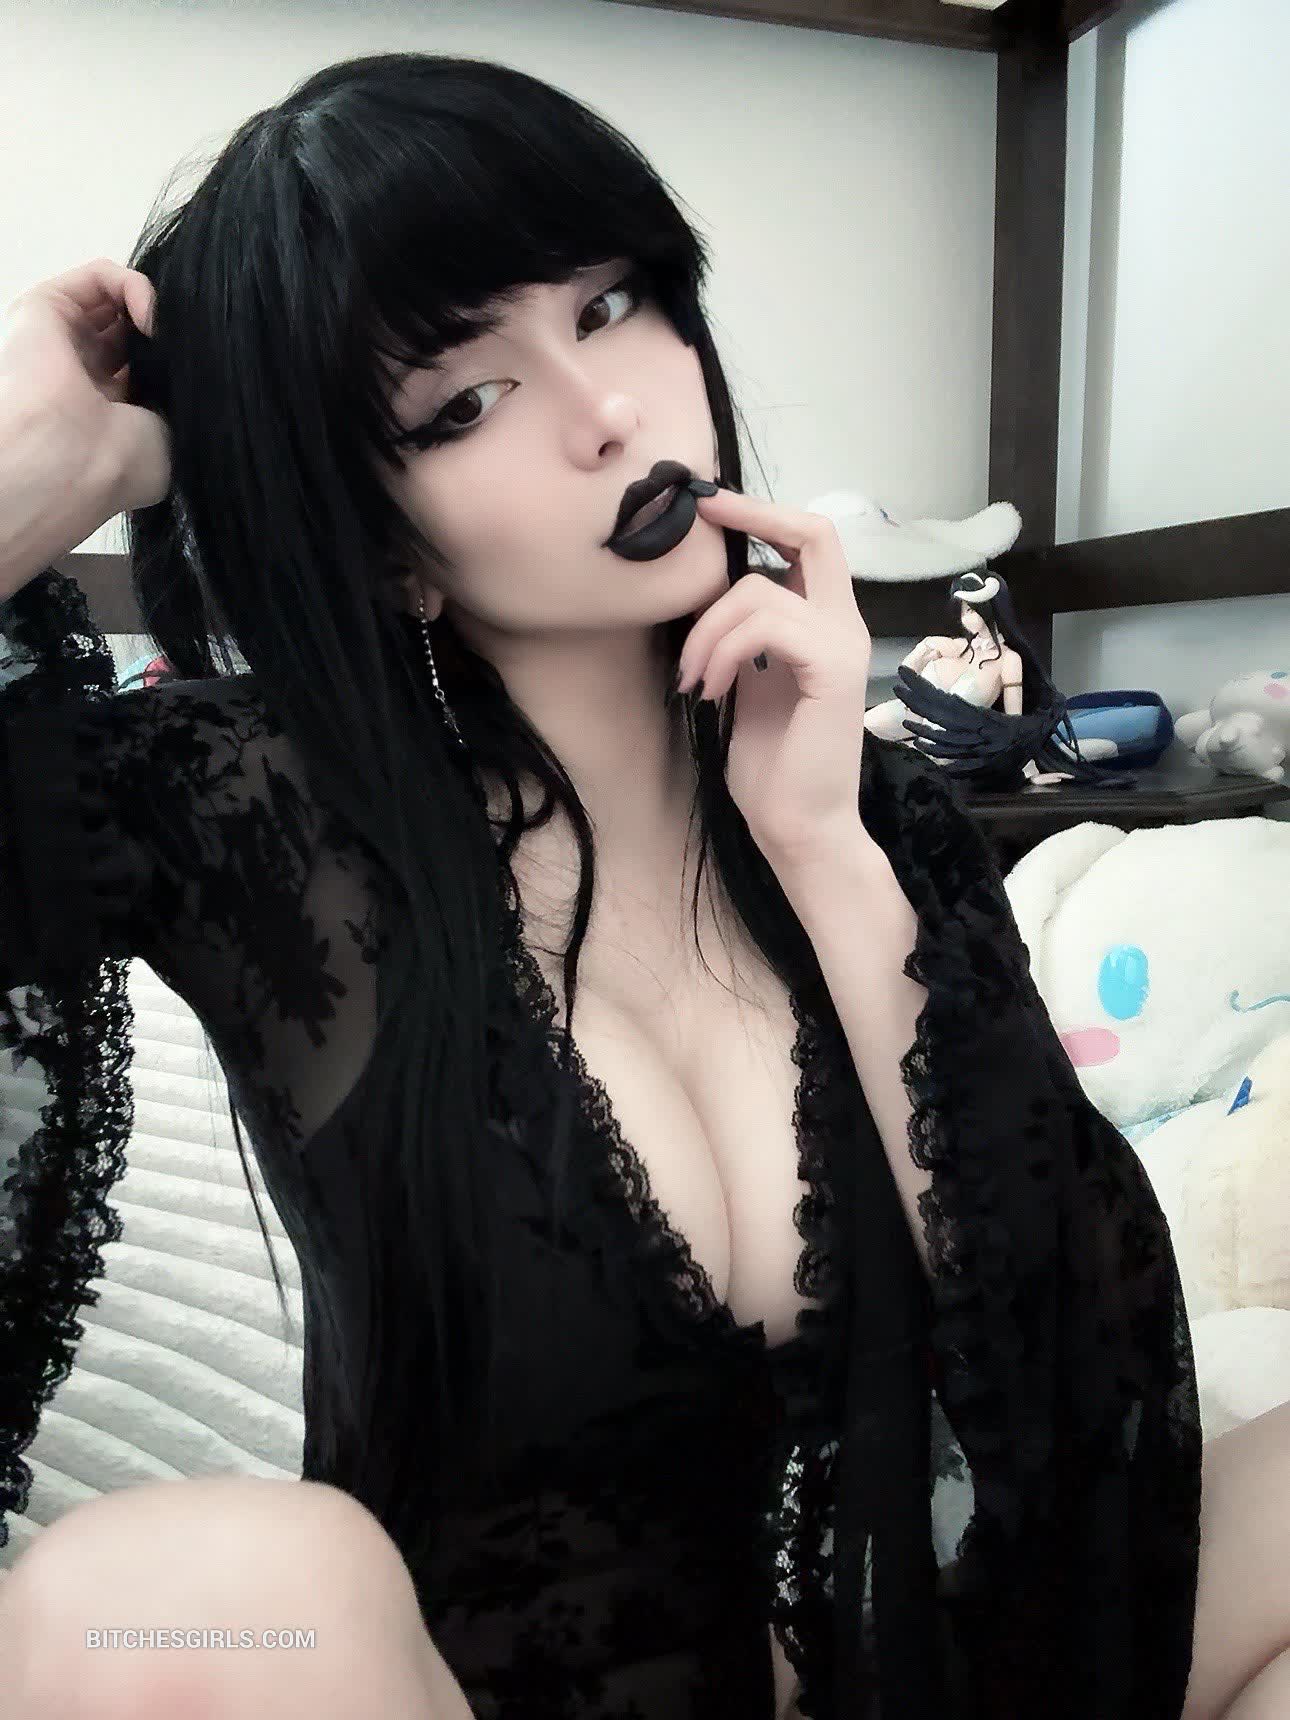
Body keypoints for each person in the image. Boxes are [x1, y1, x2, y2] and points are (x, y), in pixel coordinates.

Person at [0, 49, 1283, 1720]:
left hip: (920, 1674)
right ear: (379, 539)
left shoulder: (867, 806)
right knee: (162, 1600)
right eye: (462, 403)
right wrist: (36, 474)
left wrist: (824, 850)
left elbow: (1079, 1372)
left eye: (609, 307)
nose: (606, 409)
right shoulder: (249, 808)